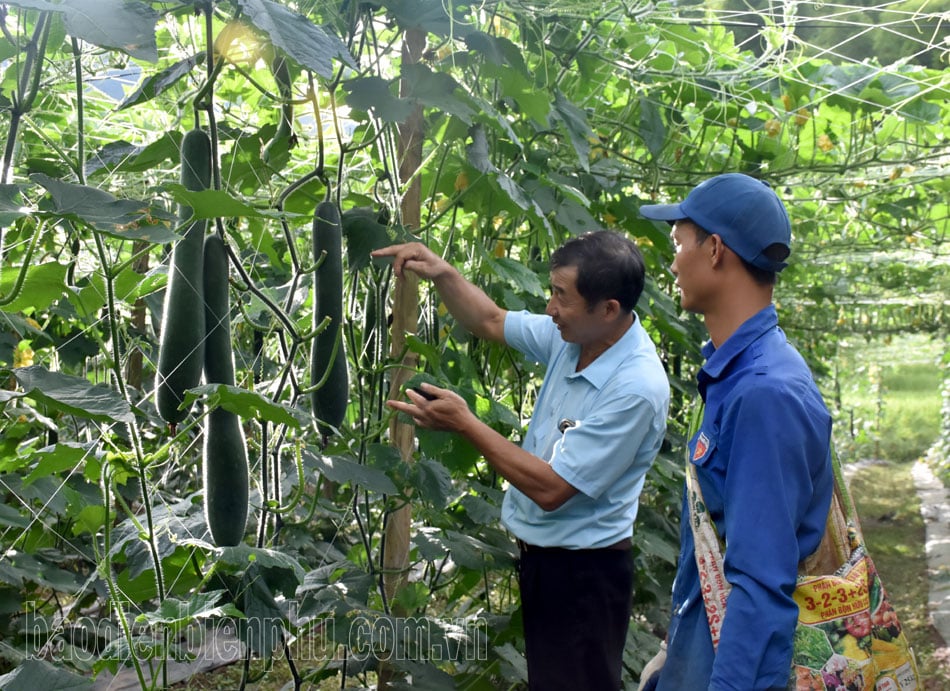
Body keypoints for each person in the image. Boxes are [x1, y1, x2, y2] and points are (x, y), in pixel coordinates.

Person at [372, 231, 670, 690]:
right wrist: (443, 273)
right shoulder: (574, 337)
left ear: (609, 309)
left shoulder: (635, 388)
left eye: (561, 296)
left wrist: (465, 423)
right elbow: (491, 319)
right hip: (548, 565)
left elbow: (553, 488)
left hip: (584, 577)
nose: (550, 308)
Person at [636, 173, 834, 691]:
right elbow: (716, 544)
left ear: (716, 250)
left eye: (679, 243)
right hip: (700, 656)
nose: (673, 262)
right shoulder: (739, 375)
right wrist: (672, 650)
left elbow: (762, 585)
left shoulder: (763, 395)